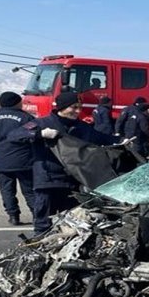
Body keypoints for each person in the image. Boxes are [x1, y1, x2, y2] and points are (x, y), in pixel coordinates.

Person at [18, 91, 102, 232]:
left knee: (71, 222)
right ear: (62, 107)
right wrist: (39, 134)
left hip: (71, 181)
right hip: (47, 180)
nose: (78, 111)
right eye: (74, 107)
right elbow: (16, 135)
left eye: (79, 107)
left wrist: (121, 140)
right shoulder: (42, 123)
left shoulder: (82, 127)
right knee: (43, 223)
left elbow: (100, 137)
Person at [0, 91, 37, 226]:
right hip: (24, 161)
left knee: (7, 190)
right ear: (17, 103)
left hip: (2, 160)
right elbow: (34, 137)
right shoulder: (27, 118)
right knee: (29, 190)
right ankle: (37, 215)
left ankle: (13, 215)